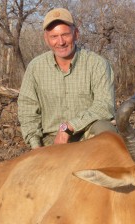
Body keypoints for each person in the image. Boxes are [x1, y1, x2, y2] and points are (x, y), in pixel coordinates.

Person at [18, 8, 116, 149]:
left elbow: (104, 106)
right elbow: (27, 110)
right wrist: (36, 148)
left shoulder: (97, 64)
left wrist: (68, 127)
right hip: (51, 141)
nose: (61, 42)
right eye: (54, 36)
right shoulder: (35, 67)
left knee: (106, 130)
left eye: (65, 34)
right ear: (46, 39)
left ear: (76, 34)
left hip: (86, 136)